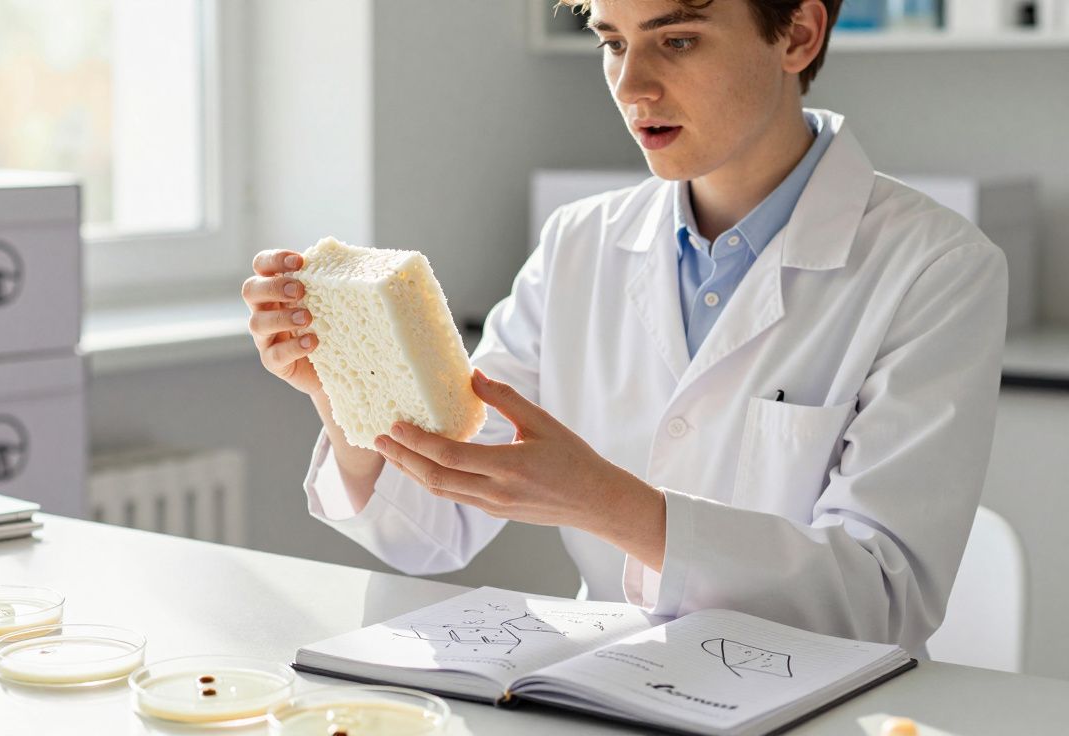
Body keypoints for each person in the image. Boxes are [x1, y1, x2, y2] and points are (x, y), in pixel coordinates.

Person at [240, 0, 1007, 657]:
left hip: (823, 710)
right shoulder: (579, 243)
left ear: (798, 34)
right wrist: (349, 400)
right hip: (612, 689)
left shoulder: (937, 266)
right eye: (612, 42)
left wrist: (608, 502)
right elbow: (434, 525)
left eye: (677, 40)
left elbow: (881, 599)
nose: (633, 86)